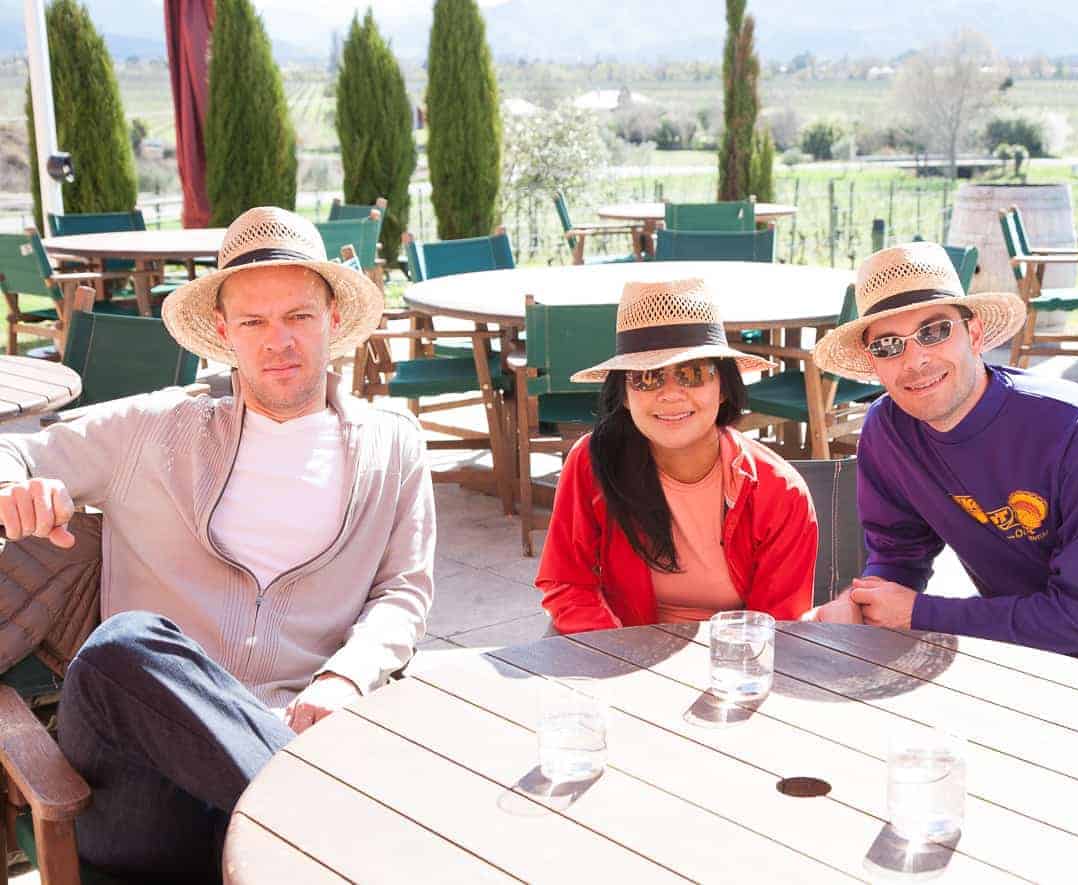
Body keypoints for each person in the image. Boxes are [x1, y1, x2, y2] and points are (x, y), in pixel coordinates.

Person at [0, 207, 435, 881]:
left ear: (333, 322)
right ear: (225, 334)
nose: (278, 341)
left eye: (298, 316)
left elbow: (404, 590)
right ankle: (335, 834)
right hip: (145, 796)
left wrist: (347, 673)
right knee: (122, 647)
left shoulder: (392, 445)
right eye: (254, 322)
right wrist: (13, 486)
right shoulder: (152, 427)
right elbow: (14, 452)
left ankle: (307, 830)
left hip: (298, 738)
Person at [807, 241, 1078, 693]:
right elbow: (898, 554)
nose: (914, 361)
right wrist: (862, 601)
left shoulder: (1077, 429)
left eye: (934, 331)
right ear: (873, 364)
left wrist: (918, 612)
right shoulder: (888, 431)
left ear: (973, 334)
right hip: (1032, 654)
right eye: (889, 345)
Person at [536, 277, 818, 633]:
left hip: (731, 665)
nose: (671, 395)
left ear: (725, 388)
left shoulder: (781, 494)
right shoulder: (592, 463)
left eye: (693, 373)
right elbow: (567, 583)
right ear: (623, 393)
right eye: (647, 378)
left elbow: (775, 628)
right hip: (618, 652)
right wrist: (620, 659)